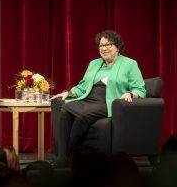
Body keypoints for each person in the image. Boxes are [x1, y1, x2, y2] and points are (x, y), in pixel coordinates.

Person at [50, 30, 146, 167]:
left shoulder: (129, 64)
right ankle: (64, 155)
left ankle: (66, 156)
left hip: (108, 101)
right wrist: (70, 93)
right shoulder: (94, 63)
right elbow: (83, 86)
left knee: (81, 116)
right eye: (101, 46)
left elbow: (140, 89)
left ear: (117, 47)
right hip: (89, 98)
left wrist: (131, 94)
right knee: (65, 109)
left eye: (108, 45)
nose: (104, 48)